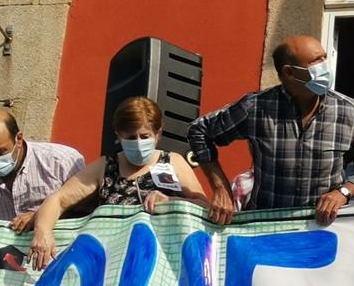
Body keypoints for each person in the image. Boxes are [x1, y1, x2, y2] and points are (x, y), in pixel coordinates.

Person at [187, 35, 354, 224]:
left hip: (322, 228)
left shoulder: (347, 110)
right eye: (316, 61)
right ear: (289, 72)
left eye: (324, 57)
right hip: (267, 226)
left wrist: (343, 192)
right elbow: (199, 131)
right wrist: (220, 188)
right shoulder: (256, 108)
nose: (325, 65)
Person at [28, 97, 219, 269]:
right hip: (113, 265)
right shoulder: (106, 166)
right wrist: (43, 231)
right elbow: (58, 200)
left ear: (158, 133)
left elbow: (203, 206)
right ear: (119, 136)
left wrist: (172, 201)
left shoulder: (173, 161)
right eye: (130, 137)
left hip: (164, 264)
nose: (138, 143)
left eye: (144, 137)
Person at [0, 108, 84, 247]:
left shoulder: (60, 162)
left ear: (19, 139)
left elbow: (87, 210)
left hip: (61, 256)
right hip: (5, 264)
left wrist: (43, 216)